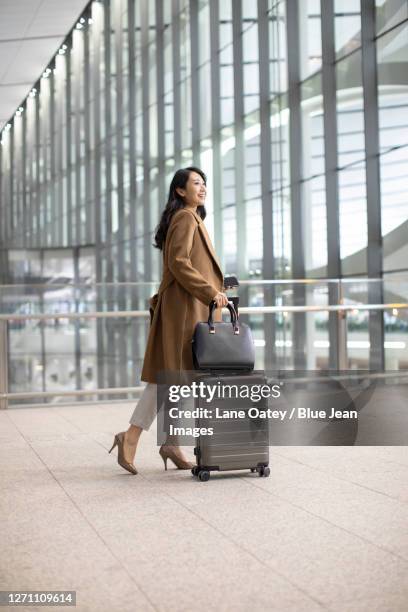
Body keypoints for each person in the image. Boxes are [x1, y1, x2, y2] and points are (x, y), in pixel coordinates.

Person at [109, 167, 228, 474]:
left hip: (188, 307)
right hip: (183, 308)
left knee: (181, 378)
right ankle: (131, 436)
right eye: (196, 183)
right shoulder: (186, 218)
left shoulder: (192, 218)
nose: (203, 188)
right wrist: (210, 291)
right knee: (169, 377)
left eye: (204, 183)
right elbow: (178, 262)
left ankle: (171, 442)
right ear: (180, 190)